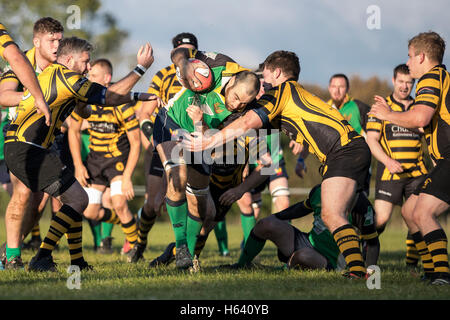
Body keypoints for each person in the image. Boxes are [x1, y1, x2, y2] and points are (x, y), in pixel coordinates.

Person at [182, 50, 372, 279]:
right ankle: (359, 269)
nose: (262, 82)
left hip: (344, 151)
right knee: (337, 213)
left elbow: (248, 122)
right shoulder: (292, 99)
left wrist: (209, 139)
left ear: (277, 72)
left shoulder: (284, 90)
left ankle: (358, 271)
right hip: (347, 152)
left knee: (332, 214)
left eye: (265, 76)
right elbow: (247, 132)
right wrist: (203, 123)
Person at [4, 36, 155, 271]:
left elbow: (85, 109)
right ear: (69, 59)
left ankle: (76, 261)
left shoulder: (55, 73)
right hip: (28, 149)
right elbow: (109, 97)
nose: (88, 67)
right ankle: (40, 257)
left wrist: (136, 96)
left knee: (72, 198)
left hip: (27, 147)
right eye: (85, 62)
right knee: (78, 199)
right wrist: (140, 68)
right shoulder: (69, 78)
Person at [152, 46, 260, 269]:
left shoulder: (243, 116)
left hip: (201, 139)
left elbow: (210, 144)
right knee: (178, 176)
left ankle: (186, 257)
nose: (237, 105)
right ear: (230, 83)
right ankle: (182, 246)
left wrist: (200, 123)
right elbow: (180, 50)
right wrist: (183, 66)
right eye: (236, 97)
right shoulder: (219, 64)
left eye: (244, 103)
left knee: (203, 209)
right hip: (171, 122)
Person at [369, 31, 450, 285]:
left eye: (410, 56)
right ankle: (431, 272)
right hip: (442, 160)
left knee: (424, 212)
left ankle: (441, 276)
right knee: (410, 210)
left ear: (422, 56)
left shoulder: (429, 79)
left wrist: (386, 114)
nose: (408, 62)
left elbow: (420, 118)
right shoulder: (442, 76)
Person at [128, 32, 198, 262]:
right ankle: (140, 243)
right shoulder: (162, 76)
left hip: (195, 145)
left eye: (191, 50)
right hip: (165, 144)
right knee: (154, 204)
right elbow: (144, 113)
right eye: (182, 51)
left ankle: (183, 251)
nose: (187, 55)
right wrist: (153, 139)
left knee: (198, 201)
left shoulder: (202, 73)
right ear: (173, 54)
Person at [0, 17, 63, 269]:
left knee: (39, 202)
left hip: (48, 138)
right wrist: (35, 98)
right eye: (51, 41)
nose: (57, 46)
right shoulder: (21, 62)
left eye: (59, 40)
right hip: (19, 136)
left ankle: (8, 249)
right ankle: (14, 257)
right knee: (23, 191)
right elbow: (3, 96)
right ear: (37, 42)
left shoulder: (61, 68)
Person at [68, 58, 142, 261]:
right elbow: (73, 131)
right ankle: (131, 223)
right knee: (91, 212)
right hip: (95, 162)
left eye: (93, 76)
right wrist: (78, 165)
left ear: (106, 78)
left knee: (118, 203)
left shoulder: (122, 104)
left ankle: (135, 248)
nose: (88, 78)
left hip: (118, 161)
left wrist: (127, 177)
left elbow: (136, 143)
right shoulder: (85, 102)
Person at [231, 184, 379, 272]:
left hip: (331, 261)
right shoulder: (320, 190)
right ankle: (241, 265)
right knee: (265, 224)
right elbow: (301, 208)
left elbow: (372, 243)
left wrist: (370, 274)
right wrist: (276, 218)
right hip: (308, 242)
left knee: (302, 256)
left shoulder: (360, 204)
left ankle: (284, 269)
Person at [366, 64, 427, 267]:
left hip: (417, 172)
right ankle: (358, 255)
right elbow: (372, 140)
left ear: (414, 83)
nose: (405, 86)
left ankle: (412, 266)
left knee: (416, 218)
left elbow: (425, 129)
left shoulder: (420, 107)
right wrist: (388, 161)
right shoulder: (380, 107)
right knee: (381, 220)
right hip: (390, 172)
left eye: (409, 82)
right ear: (393, 81)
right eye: (401, 81)